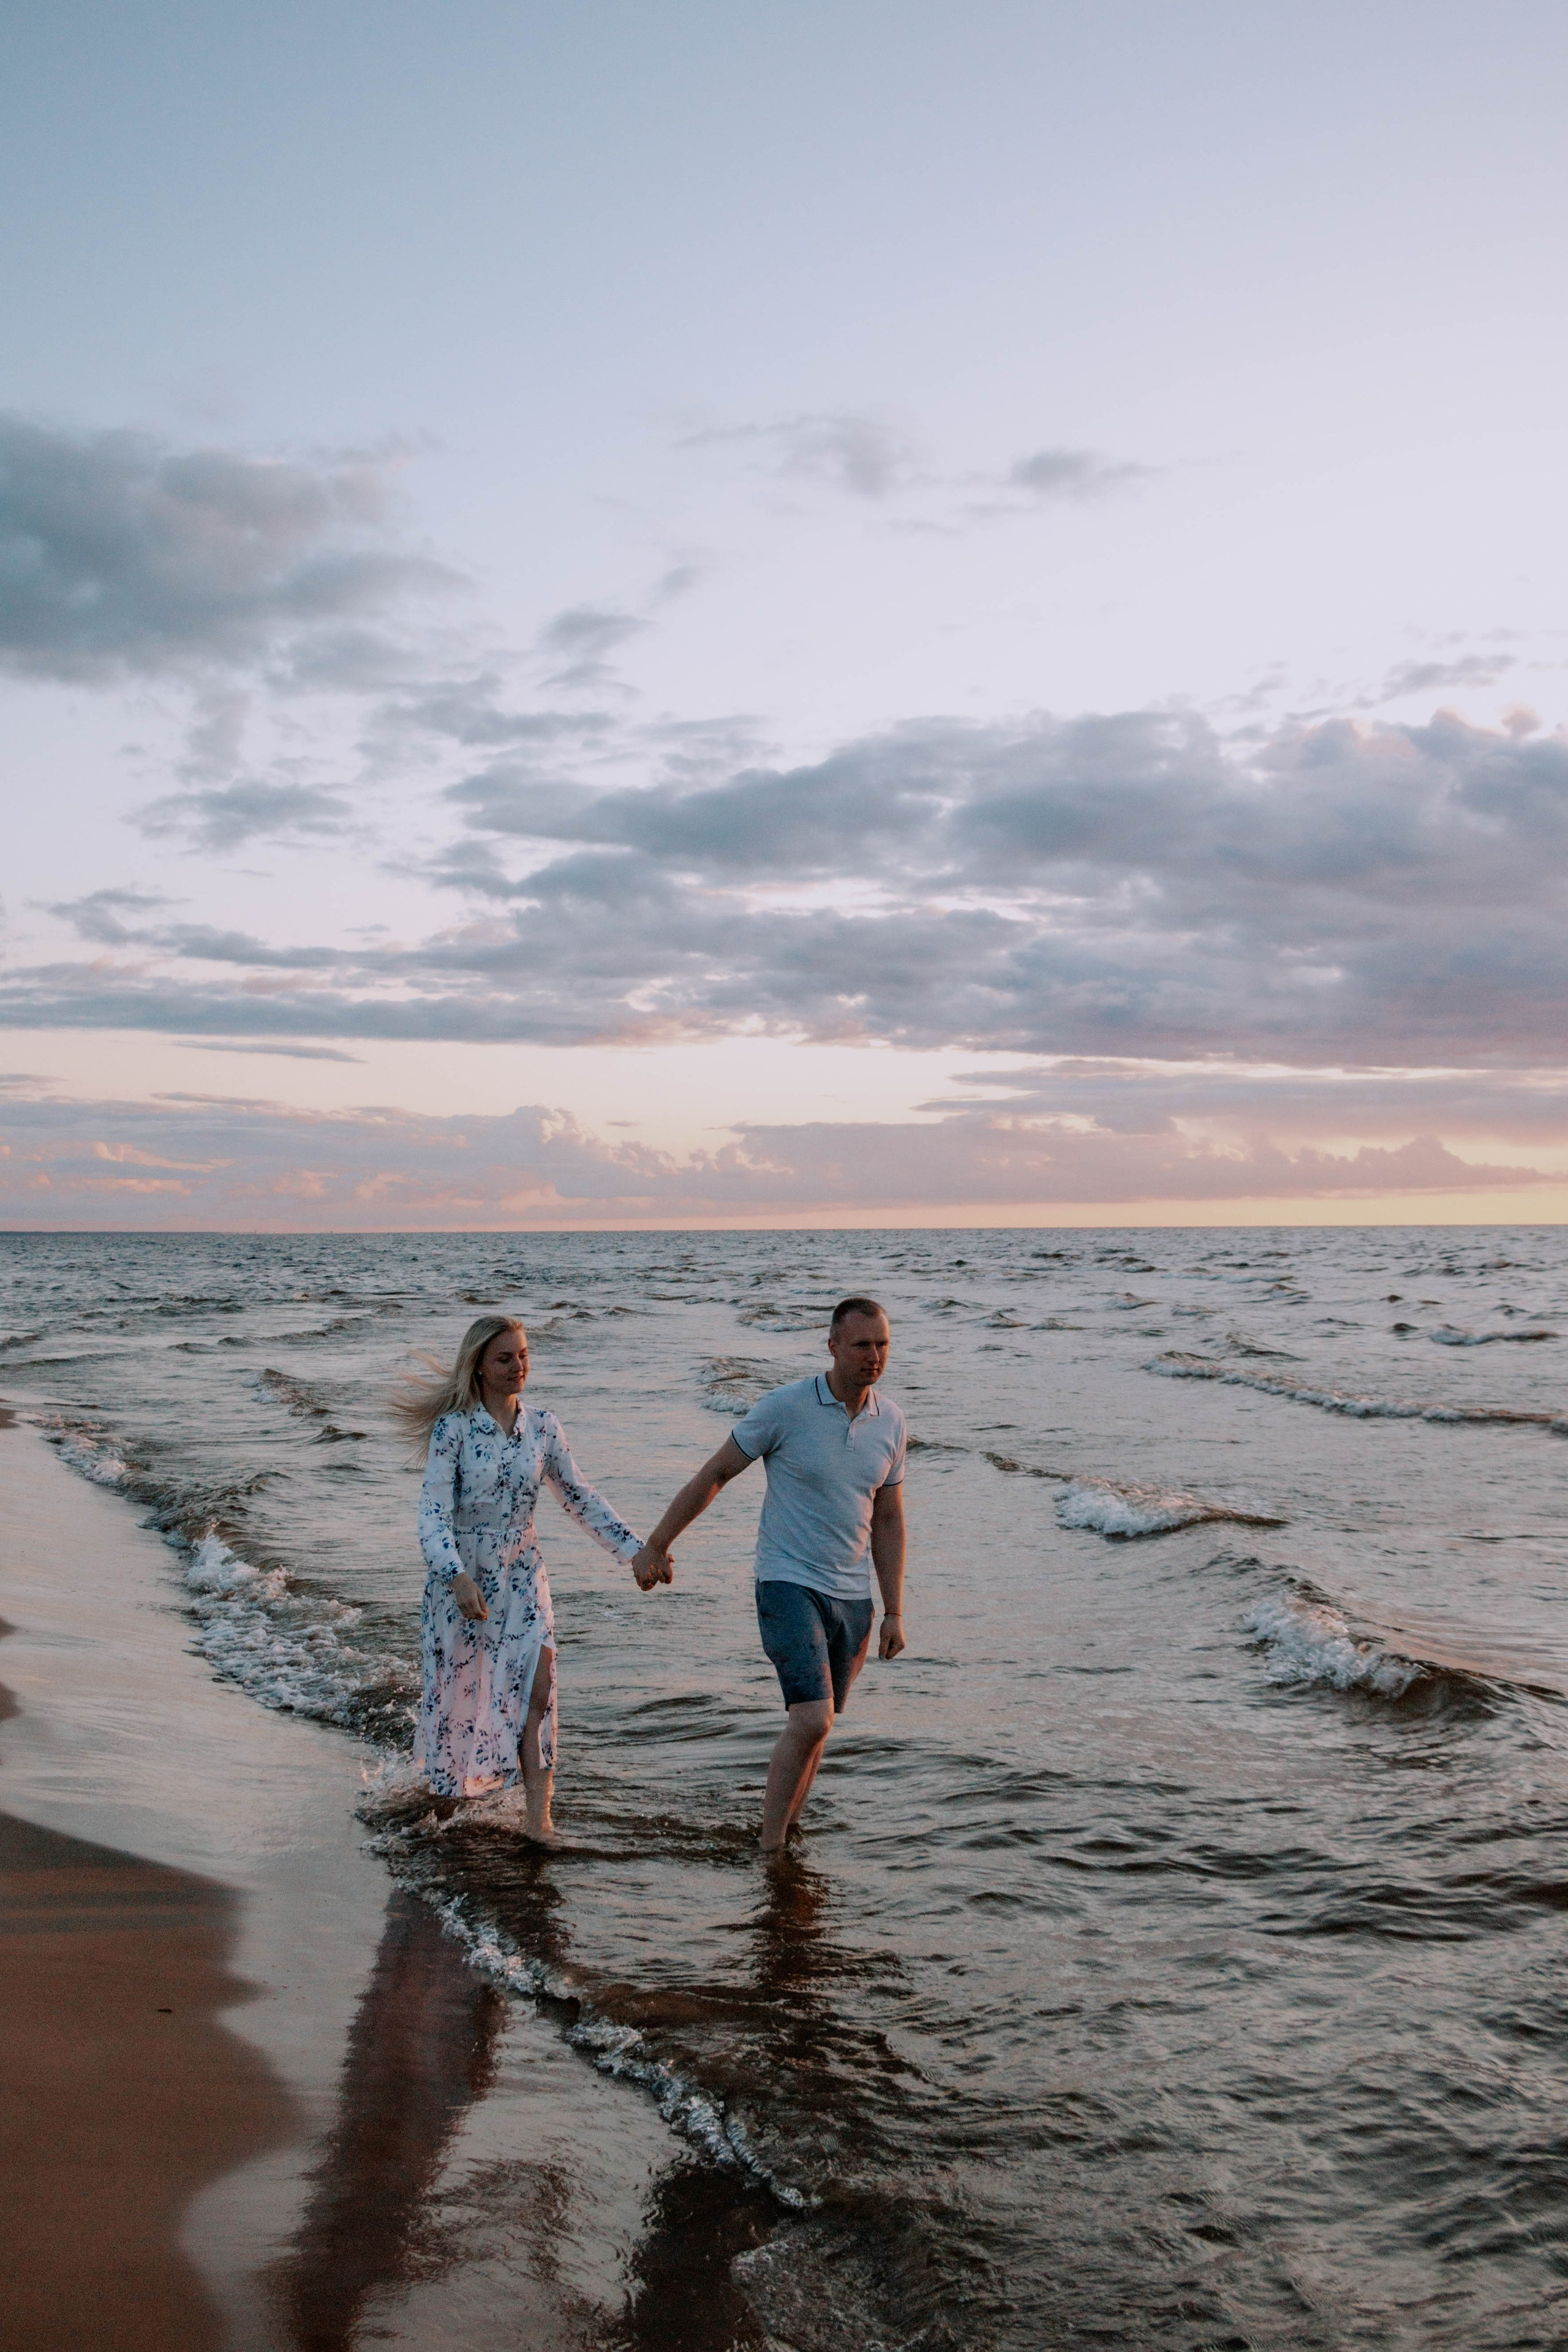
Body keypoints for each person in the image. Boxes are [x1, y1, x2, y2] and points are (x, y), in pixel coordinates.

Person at [636, 1296, 906, 1853]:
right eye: (861, 1345)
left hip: (853, 1597)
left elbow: (888, 1517)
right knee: (811, 1718)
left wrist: (895, 1610)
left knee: (822, 1725)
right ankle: (770, 1849)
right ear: (832, 1346)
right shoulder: (785, 1407)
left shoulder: (892, 1421)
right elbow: (716, 1472)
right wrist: (658, 1544)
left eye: (881, 1345)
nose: (873, 1356)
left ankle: (787, 1833)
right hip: (787, 1581)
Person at [395, 1314, 668, 1841]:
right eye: (505, 1357)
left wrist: (637, 1552)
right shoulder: (453, 1429)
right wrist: (455, 1577)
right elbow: (431, 1513)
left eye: (523, 1354)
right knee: (460, 1696)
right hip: (462, 1579)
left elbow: (579, 1498)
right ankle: (445, 1814)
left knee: (539, 1687)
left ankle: (538, 1821)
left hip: (523, 1573)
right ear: (478, 1367)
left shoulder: (544, 1427)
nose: (518, 1365)